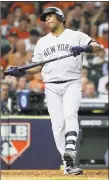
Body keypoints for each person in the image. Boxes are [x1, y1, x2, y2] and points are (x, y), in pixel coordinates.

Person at [6, 7, 102, 175]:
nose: (47, 20)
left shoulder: (75, 35)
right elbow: (37, 67)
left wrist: (84, 48)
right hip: (51, 86)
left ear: (60, 17)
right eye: (46, 18)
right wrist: (21, 71)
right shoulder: (43, 42)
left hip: (72, 82)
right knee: (57, 126)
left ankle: (70, 150)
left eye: (50, 16)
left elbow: (97, 46)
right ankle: (68, 164)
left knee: (70, 115)